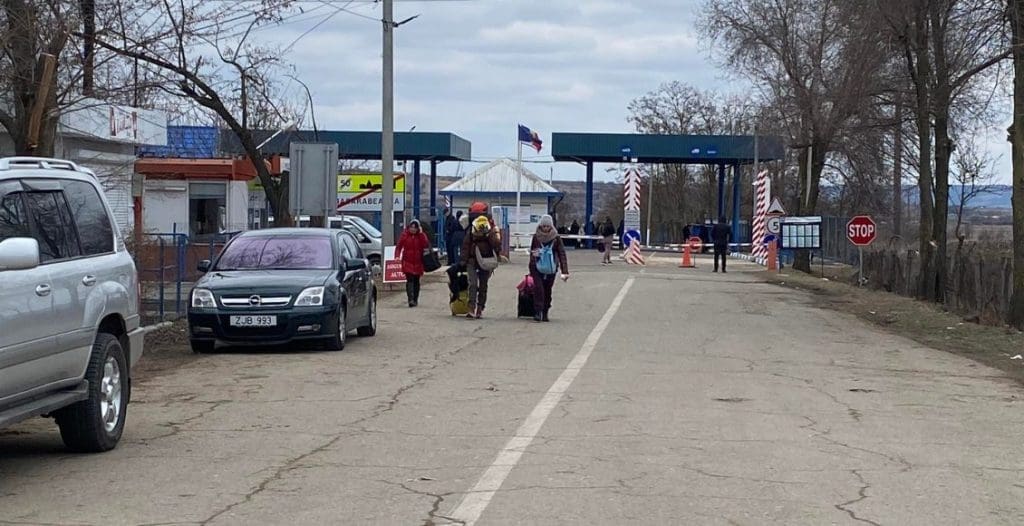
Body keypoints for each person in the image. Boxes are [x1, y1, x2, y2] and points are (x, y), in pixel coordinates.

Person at [529, 215, 569, 322]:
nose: (546, 228)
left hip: (551, 268)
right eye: (544, 226)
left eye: (548, 226)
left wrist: (564, 271)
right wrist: (533, 263)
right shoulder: (536, 237)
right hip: (537, 267)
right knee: (539, 289)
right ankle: (538, 312)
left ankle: (545, 311)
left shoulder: (556, 238)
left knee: (547, 290)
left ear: (551, 226)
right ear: (540, 226)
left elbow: (561, 254)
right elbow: (532, 252)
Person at [462, 216, 501, 319]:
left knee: (483, 285)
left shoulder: (490, 234)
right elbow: (465, 246)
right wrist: (463, 261)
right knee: (473, 284)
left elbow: (497, 245)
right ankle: (471, 307)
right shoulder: (470, 234)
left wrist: (492, 235)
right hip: (472, 261)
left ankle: (480, 307)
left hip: (485, 262)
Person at [396, 219, 431, 307]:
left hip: (418, 262)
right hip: (407, 262)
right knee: (410, 280)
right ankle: (410, 299)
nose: (413, 229)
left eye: (415, 228)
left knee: (416, 281)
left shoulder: (420, 236)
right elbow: (399, 246)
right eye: (411, 227)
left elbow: (425, 244)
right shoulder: (405, 235)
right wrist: (397, 256)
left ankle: (415, 299)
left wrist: (422, 234)